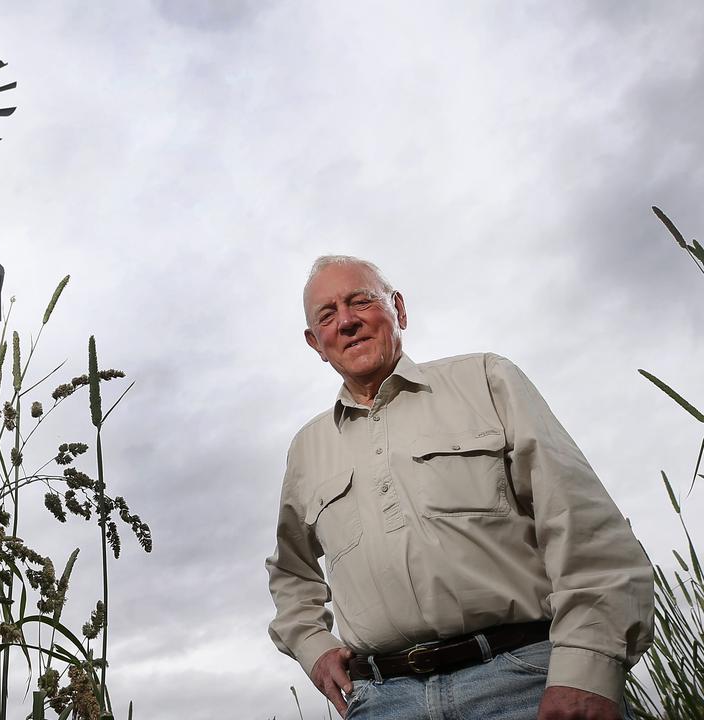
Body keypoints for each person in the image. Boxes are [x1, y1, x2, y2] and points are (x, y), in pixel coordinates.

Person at [265, 255, 654, 720]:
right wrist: (313, 644)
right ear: (316, 343)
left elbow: (582, 522)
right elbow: (291, 573)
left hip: (527, 680)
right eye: (327, 316)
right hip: (382, 700)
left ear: (399, 310)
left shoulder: (486, 380)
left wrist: (587, 669)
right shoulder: (307, 449)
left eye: (360, 301)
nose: (346, 321)